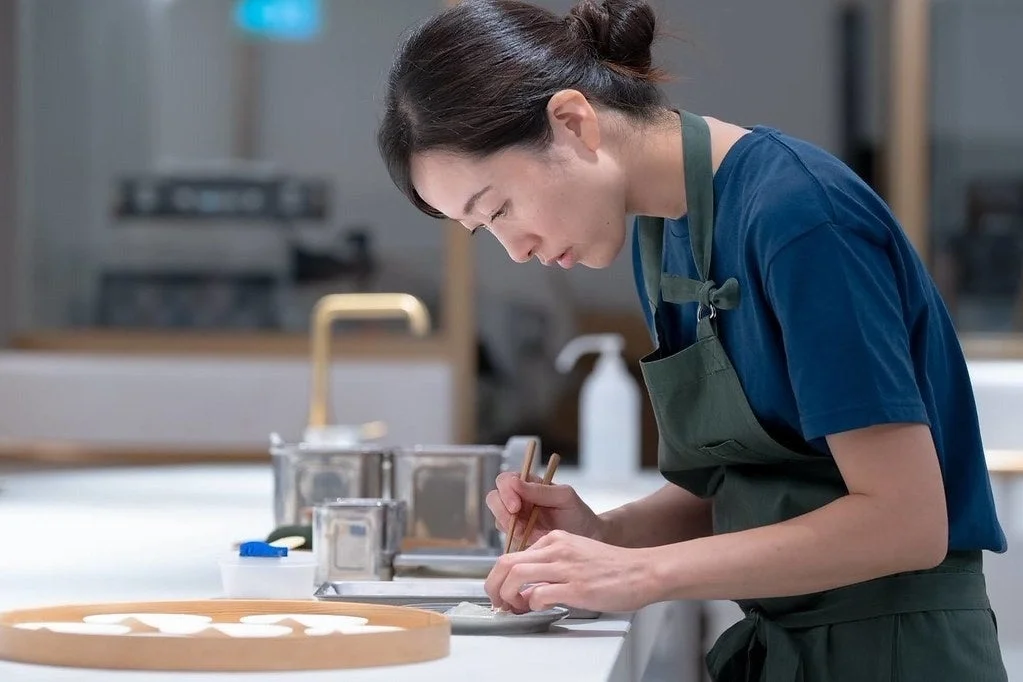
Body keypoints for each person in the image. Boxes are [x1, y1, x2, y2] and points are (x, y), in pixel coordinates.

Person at [376, 0, 1009, 679]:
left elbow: (903, 522)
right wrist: (603, 536)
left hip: (896, 654)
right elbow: (746, 488)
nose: (516, 248)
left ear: (572, 121)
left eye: (498, 208)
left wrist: (643, 573)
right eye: (483, 230)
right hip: (788, 646)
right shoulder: (662, 230)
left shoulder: (798, 218)